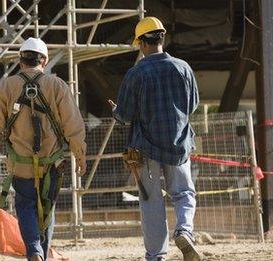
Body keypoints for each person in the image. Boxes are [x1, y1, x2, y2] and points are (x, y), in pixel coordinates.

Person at [0, 37, 86, 261]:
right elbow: (73, 124)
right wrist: (80, 155)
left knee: (26, 205)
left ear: (20, 62)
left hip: (21, 165)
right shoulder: (57, 85)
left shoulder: (7, 87)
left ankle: (34, 251)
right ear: (45, 60)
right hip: (52, 163)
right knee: (47, 208)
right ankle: (43, 253)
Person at [108, 17, 201, 261]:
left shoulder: (136, 73)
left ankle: (156, 256)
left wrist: (116, 111)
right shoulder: (183, 68)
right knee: (183, 193)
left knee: (151, 203)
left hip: (145, 149)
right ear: (163, 38)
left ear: (141, 43)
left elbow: (125, 115)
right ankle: (185, 231)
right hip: (179, 145)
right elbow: (192, 106)